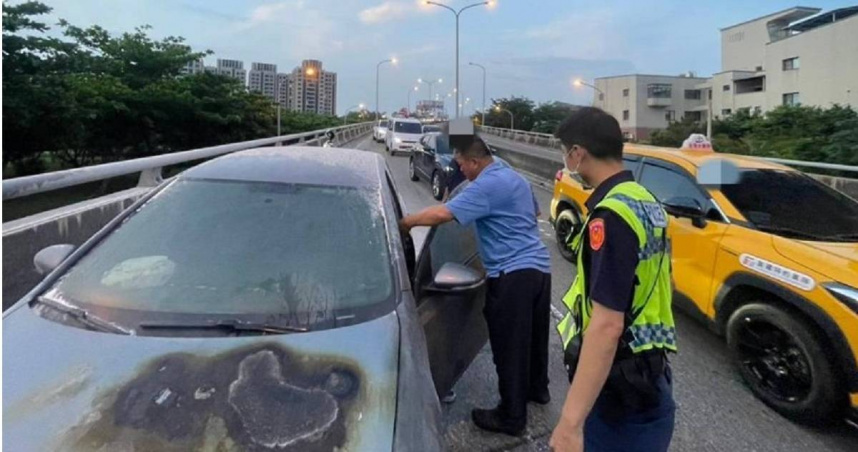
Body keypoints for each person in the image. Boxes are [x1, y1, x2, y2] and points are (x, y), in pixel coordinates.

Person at [399, 136, 551, 436]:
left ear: (475, 162)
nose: (460, 171)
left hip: (511, 274)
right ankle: (537, 390)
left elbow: (442, 215)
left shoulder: (485, 185)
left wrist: (405, 223)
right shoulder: (514, 178)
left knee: (509, 345)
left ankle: (511, 416)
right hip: (539, 270)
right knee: (534, 338)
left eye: (461, 164)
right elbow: (535, 214)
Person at [549, 107, 677, 452]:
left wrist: (569, 424)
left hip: (619, 394)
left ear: (578, 154)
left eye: (565, 152)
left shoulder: (611, 216)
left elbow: (607, 326)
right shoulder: (645, 201)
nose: (566, 160)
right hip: (650, 376)